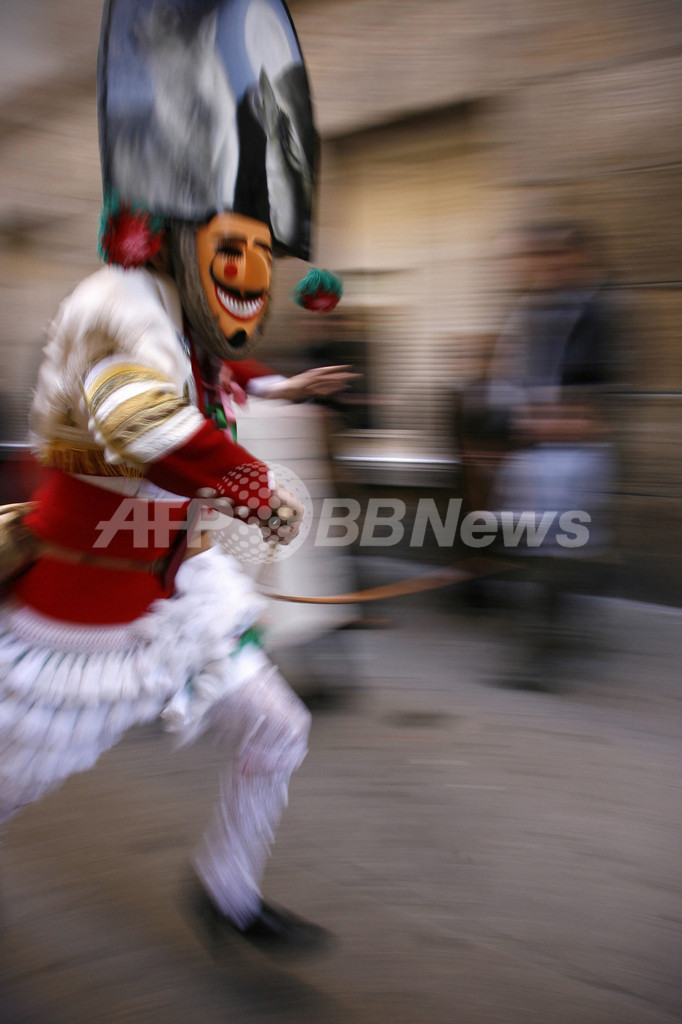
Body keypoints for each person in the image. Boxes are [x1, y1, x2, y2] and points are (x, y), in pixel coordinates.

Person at [0, 0, 336, 954]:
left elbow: (211, 372)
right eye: (236, 240)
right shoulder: (113, 298)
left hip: (176, 592)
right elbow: (141, 416)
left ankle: (227, 891)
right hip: (82, 614)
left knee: (277, 728)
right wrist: (256, 488)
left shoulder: (176, 313)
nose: (253, 266)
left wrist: (275, 383)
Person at [470, 222, 620, 687]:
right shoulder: (531, 312)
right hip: (536, 456)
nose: (541, 266)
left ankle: (543, 653)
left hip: (570, 459)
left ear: (575, 258)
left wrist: (543, 419)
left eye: (552, 256)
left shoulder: (596, 312)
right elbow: (508, 384)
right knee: (539, 550)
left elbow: (592, 407)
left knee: (557, 551)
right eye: (537, 257)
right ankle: (547, 642)